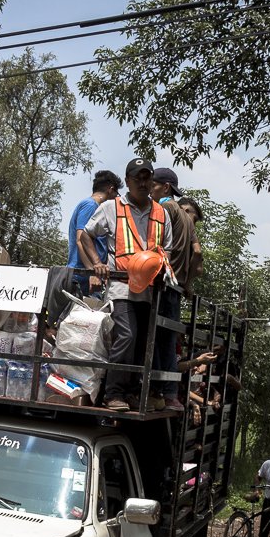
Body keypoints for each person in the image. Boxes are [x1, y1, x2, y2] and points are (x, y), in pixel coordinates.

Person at [80, 157, 173, 412]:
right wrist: (96, 263)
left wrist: (163, 266)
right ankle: (114, 393)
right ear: (129, 181)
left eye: (147, 178)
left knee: (143, 342)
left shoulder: (161, 213)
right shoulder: (112, 208)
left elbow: (168, 249)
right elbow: (86, 235)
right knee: (127, 335)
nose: (143, 183)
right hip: (121, 287)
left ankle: (132, 391)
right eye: (137, 178)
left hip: (150, 290)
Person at [148, 167, 197, 412]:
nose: (149, 189)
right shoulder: (188, 219)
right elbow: (197, 252)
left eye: (153, 185)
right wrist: (187, 283)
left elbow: (154, 243)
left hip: (164, 283)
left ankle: (156, 391)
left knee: (154, 338)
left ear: (165, 187)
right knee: (167, 339)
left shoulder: (164, 209)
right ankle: (169, 393)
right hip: (176, 286)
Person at [67, 170, 122, 297]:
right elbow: (80, 240)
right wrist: (92, 272)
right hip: (83, 278)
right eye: (116, 194)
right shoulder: (91, 205)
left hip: (91, 277)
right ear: (110, 189)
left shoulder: (95, 208)